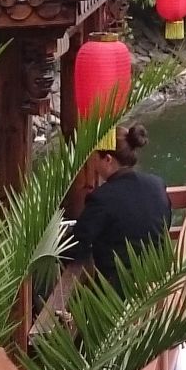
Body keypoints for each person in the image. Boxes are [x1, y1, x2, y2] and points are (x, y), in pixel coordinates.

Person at [65, 123, 172, 289]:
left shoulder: (102, 198)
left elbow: (78, 242)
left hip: (119, 289)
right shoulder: (157, 184)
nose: (92, 163)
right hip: (159, 279)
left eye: (94, 157)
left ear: (108, 159)